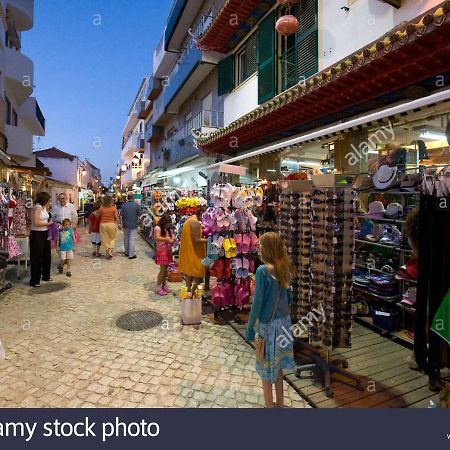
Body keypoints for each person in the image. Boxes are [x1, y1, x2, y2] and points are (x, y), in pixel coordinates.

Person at [245, 232, 296, 408]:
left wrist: (250, 327)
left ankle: (269, 406)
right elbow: (289, 297)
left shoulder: (262, 271)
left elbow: (257, 303)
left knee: (266, 370)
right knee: (278, 367)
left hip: (269, 327)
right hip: (285, 324)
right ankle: (280, 404)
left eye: (260, 245)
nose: (258, 248)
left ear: (266, 248)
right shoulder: (285, 267)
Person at [178, 210, 207, 294]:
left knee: (189, 274)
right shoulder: (194, 222)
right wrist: (210, 240)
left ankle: (188, 293)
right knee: (197, 274)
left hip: (190, 251)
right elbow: (197, 240)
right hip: (195, 253)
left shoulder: (190, 220)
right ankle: (192, 295)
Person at [29, 192, 53, 287]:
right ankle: (34, 280)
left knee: (47, 255)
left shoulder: (44, 208)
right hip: (37, 234)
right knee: (37, 257)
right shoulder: (37, 208)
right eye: (48, 200)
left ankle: (46, 275)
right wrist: (48, 224)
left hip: (44, 233)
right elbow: (36, 222)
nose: (49, 202)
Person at [154, 214, 175, 296]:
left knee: (165, 269)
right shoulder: (158, 228)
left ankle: (163, 285)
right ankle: (158, 287)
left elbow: (171, 236)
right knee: (162, 270)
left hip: (167, 250)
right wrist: (166, 239)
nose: (168, 225)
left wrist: (172, 238)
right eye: (167, 223)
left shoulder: (167, 229)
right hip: (161, 252)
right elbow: (157, 237)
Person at [120, 193, 141, 260]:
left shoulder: (123, 205)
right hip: (133, 224)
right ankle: (131, 254)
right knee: (132, 238)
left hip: (125, 224)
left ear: (127, 198)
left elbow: (121, 215)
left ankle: (126, 252)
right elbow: (139, 214)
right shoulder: (136, 205)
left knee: (126, 238)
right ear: (133, 198)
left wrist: (120, 223)